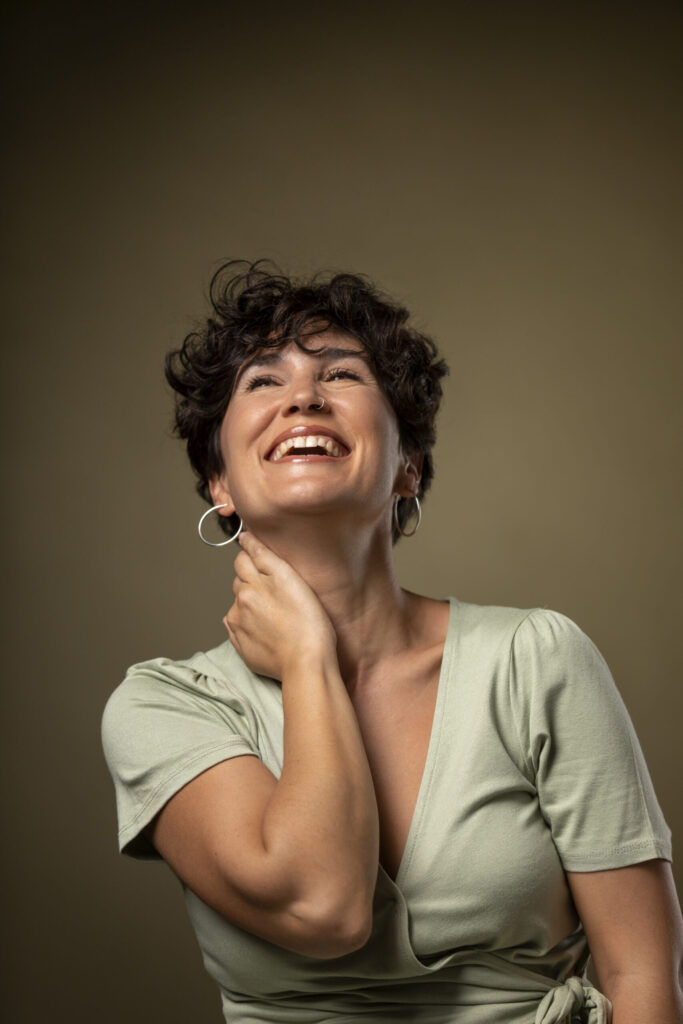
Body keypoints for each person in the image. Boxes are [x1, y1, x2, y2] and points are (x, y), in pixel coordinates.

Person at [102, 259, 682, 1024]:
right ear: (221, 484)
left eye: (341, 374)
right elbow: (324, 909)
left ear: (408, 466)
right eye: (263, 381)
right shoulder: (164, 707)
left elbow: (641, 976)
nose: (303, 396)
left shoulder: (535, 659)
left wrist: (306, 653)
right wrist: (309, 659)